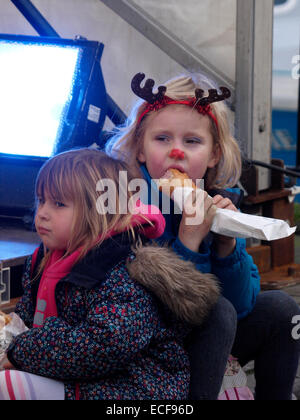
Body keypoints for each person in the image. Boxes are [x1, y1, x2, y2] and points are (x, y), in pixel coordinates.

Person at [105, 72, 300, 400]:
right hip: (149, 346)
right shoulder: (126, 209)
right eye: (162, 138)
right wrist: (189, 242)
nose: (176, 152)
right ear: (139, 148)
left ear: (213, 155)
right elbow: (159, 311)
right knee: (216, 311)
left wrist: (228, 246)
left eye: (191, 141)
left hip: (209, 340)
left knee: (282, 308)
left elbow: (241, 306)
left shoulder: (217, 201)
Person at [0, 148, 220, 400]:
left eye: (59, 203)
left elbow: (105, 346)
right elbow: (28, 319)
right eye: (41, 200)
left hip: (133, 388)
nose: (42, 212)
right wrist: (9, 340)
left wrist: (22, 351)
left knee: (8, 385)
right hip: (71, 374)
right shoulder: (45, 258)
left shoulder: (125, 271)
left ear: (99, 211)